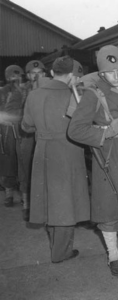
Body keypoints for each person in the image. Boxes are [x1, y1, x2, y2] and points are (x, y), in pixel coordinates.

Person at [68, 45, 118, 277]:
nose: (116, 77)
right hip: (108, 159)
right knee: (109, 210)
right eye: (110, 72)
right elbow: (75, 130)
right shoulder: (94, 94)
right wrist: (105, 132)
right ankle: (113, 254)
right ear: (101, 74)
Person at [21, 56, 90, 263]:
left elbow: (25, 126)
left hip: (42, 151)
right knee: (66, 202)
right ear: (70, 76)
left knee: (50, 199)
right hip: (68, 151)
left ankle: (56, 245)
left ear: (52, 73)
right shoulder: (75, 96)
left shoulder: (33, 95)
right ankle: (61, 252)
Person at [17, 60, 48, 221]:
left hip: (44, 133)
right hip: (28, 134)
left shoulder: (49, 89)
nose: (37, 76)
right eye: (33, 73)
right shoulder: (22, 91)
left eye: (40, 72)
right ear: (28, 75)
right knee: (26, 165)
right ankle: (26, 203)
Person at [0, 65, 24, 207]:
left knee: (22, 163)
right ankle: (8, 193)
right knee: (8, 162)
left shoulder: (27, 90)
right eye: (12, 77)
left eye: (17, 76)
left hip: (23, 130)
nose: (14, 79)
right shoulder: (2, 92)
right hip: (7, 131)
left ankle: (23, 194)